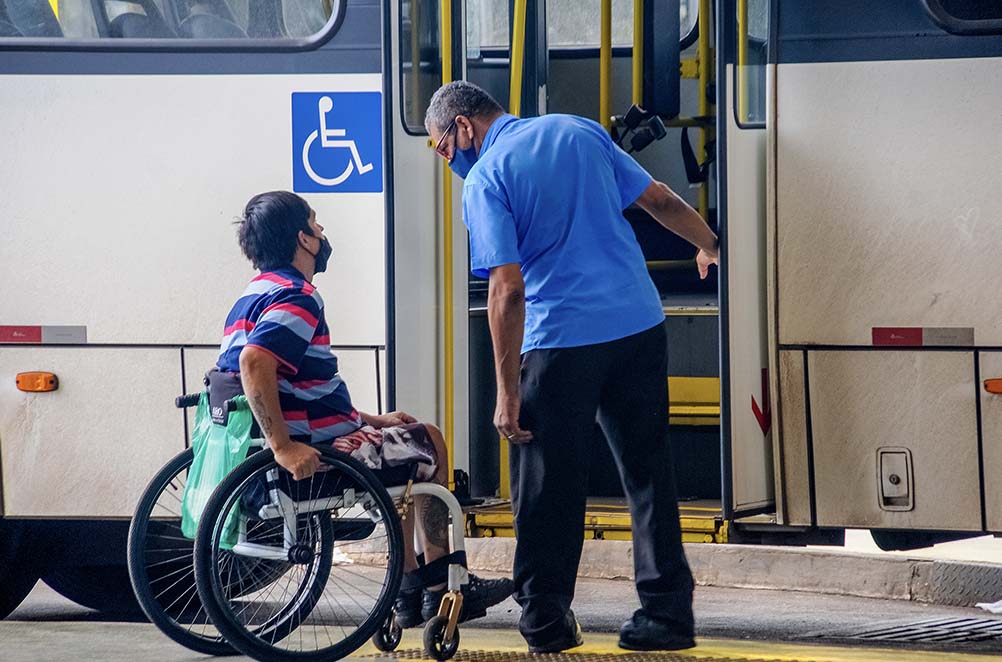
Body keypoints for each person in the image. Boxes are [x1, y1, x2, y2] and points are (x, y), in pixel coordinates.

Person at [424, 82, 720, 653]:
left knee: (547, 486)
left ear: (463, 128)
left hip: (561, 342)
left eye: (443, 148)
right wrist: (708, 244)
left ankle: (546, 621)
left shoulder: (487, 179)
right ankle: (667, 618)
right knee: (648, 474)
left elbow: (507, 291)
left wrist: (506, 392)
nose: (450, 161)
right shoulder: (577, 129)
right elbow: (656, 198)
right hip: (637, 325)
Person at [216, 190, 512, 628]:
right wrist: (282, 446)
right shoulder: (298, 296)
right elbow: (254, 363)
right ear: (304, 239)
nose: (321, 232)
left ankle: (411, 588)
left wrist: (370, 421)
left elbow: (299, 388)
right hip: (310, 457)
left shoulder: (252, 296)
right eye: (315, 224)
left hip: (275, 450)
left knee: (400, 441)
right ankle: (442, 585)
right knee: (429, 442)